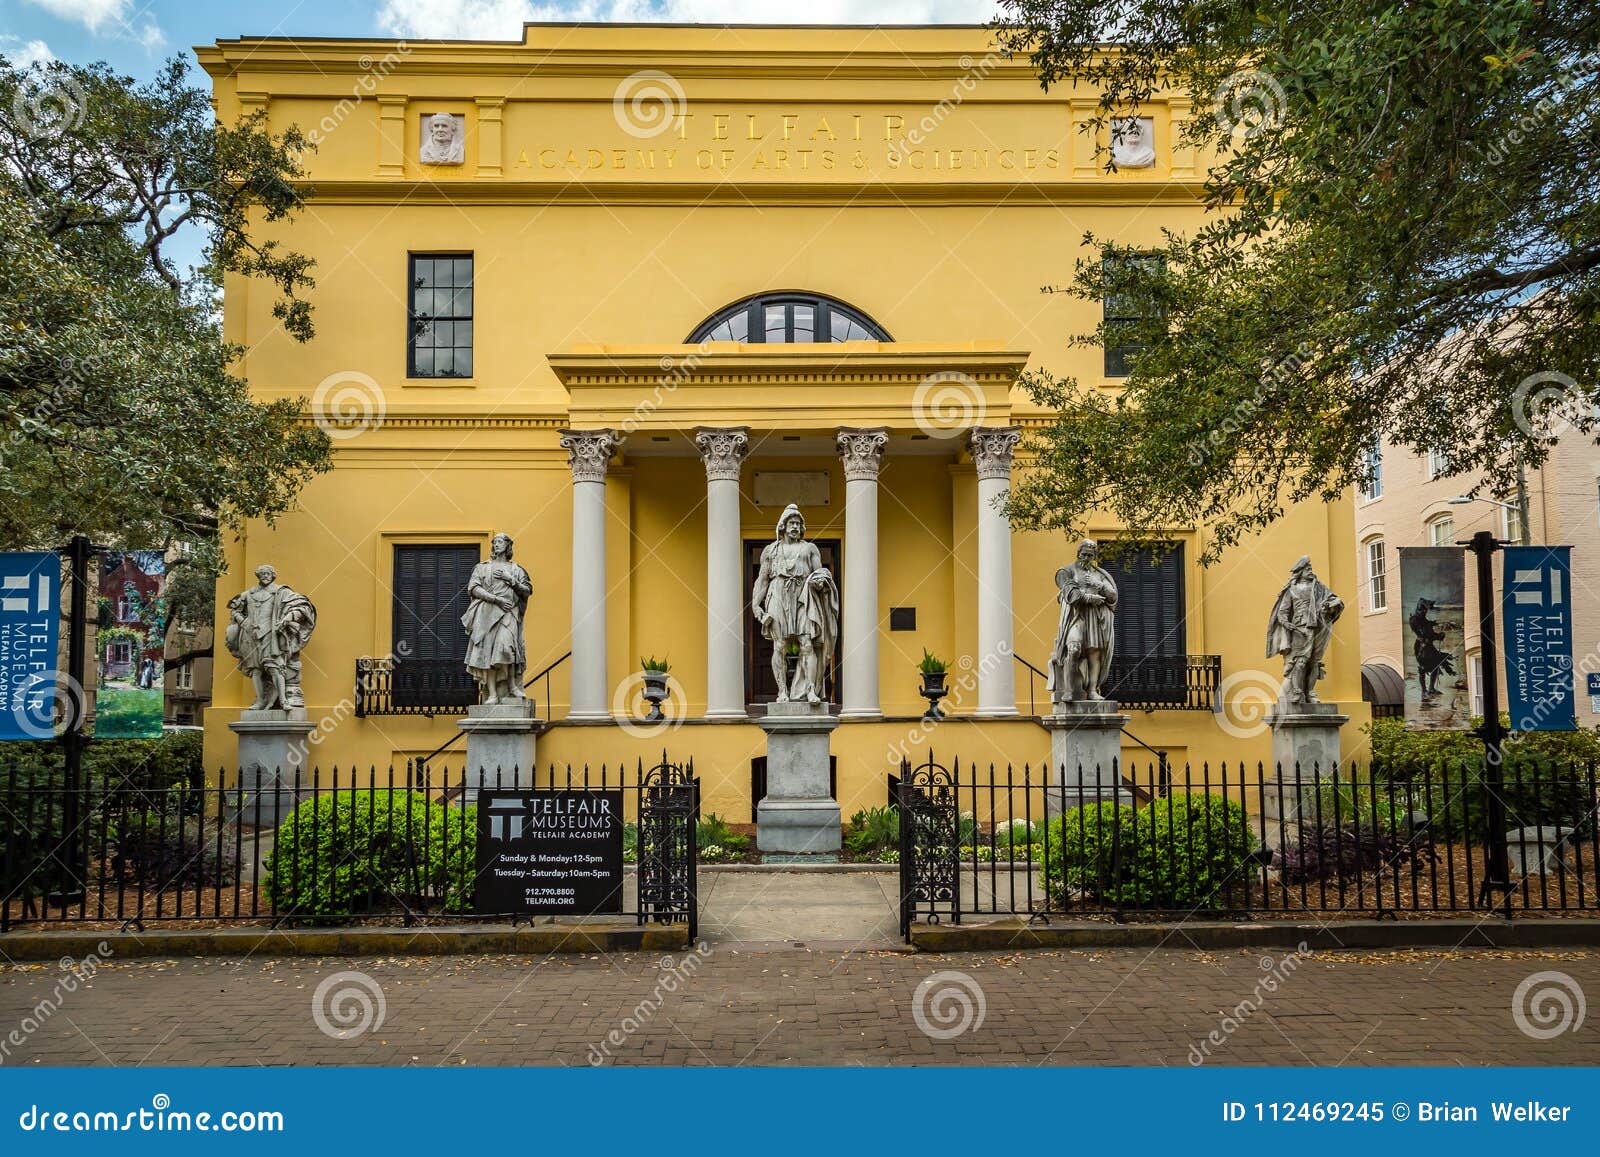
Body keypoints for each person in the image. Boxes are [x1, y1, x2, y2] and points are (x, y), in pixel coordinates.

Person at [752, 505, 839, 705]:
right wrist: (756, 606)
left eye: (798, 524)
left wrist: (820, 582)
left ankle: (810, 691)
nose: (795, 527)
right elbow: (762, 580)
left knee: (807, 644)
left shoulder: (809, 549)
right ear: (783, 526)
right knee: (780, 645)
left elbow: (820, 574)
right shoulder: (771, 550)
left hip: (803, 598)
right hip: (778, 595)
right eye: (791, 523)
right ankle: (782, 691)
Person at [226, 565, 317, 710]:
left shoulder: (281, 592)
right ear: (258, 576)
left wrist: (289, 617)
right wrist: (243, 621)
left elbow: (302, 606)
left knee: (275, 667)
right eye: (262, 574)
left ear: (273, 575)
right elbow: (233, 609)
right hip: (250, 635)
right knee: (255, 669)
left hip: (271, 634)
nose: (265, 576)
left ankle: (283, 700)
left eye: (268, 573)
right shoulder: (248, 594)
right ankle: (260, 701)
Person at [461, 533, 532, 704]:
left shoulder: (516, 570)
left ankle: (513, 685)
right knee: (487, 652)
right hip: (486, 614)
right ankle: (492, 693)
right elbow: (474, 588)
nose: (496, 545)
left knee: (506, 648)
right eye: (495, 542)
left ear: (508, 546)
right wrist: (495, 599)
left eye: (500, 542)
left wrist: (511, 580)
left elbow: (527, 590)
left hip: (508, 613)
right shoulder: (482, 568)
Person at [1265, 555, 1345, 706]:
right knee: (1300, 662)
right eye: (1307, 569)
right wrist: (1286, 624)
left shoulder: (1319, 587)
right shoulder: (1292, 590)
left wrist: (1334, 604)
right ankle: (1297, 691)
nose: (1310, 571)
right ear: (1300, 571)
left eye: (1310, 568)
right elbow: (1282, 611)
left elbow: (1333, 599)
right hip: (1299, 629)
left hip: (1319, 626)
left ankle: (1310, 692)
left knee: (1314, 661)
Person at [1049, 538, 1118, 704]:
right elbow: (1071, 595)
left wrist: (1099, 585)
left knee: (1095, 652)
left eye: (1090, 555)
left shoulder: (1099, 575)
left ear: (1094, 556)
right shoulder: (1066, 571)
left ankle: (1093, 690)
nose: (1086, 558)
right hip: (1075, 616)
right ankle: (1069, 689)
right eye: (1084, 554)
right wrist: (1090, 597)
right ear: (1078, 553)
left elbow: (1113, 596)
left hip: (1094, 617)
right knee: (1073, 648)